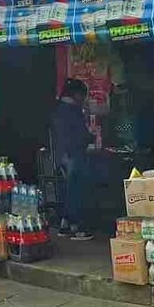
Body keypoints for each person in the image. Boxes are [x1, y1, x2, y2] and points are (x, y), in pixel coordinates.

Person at [51, 78, 94, 241]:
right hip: (74, 155)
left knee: (65, 190)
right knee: (76, 190)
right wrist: (91, 137)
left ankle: (64, 225)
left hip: (61, 155)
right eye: (83, 96)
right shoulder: (73, 111)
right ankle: (78, 228)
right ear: (77, 94)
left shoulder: (58, 109)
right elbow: (81, 135)